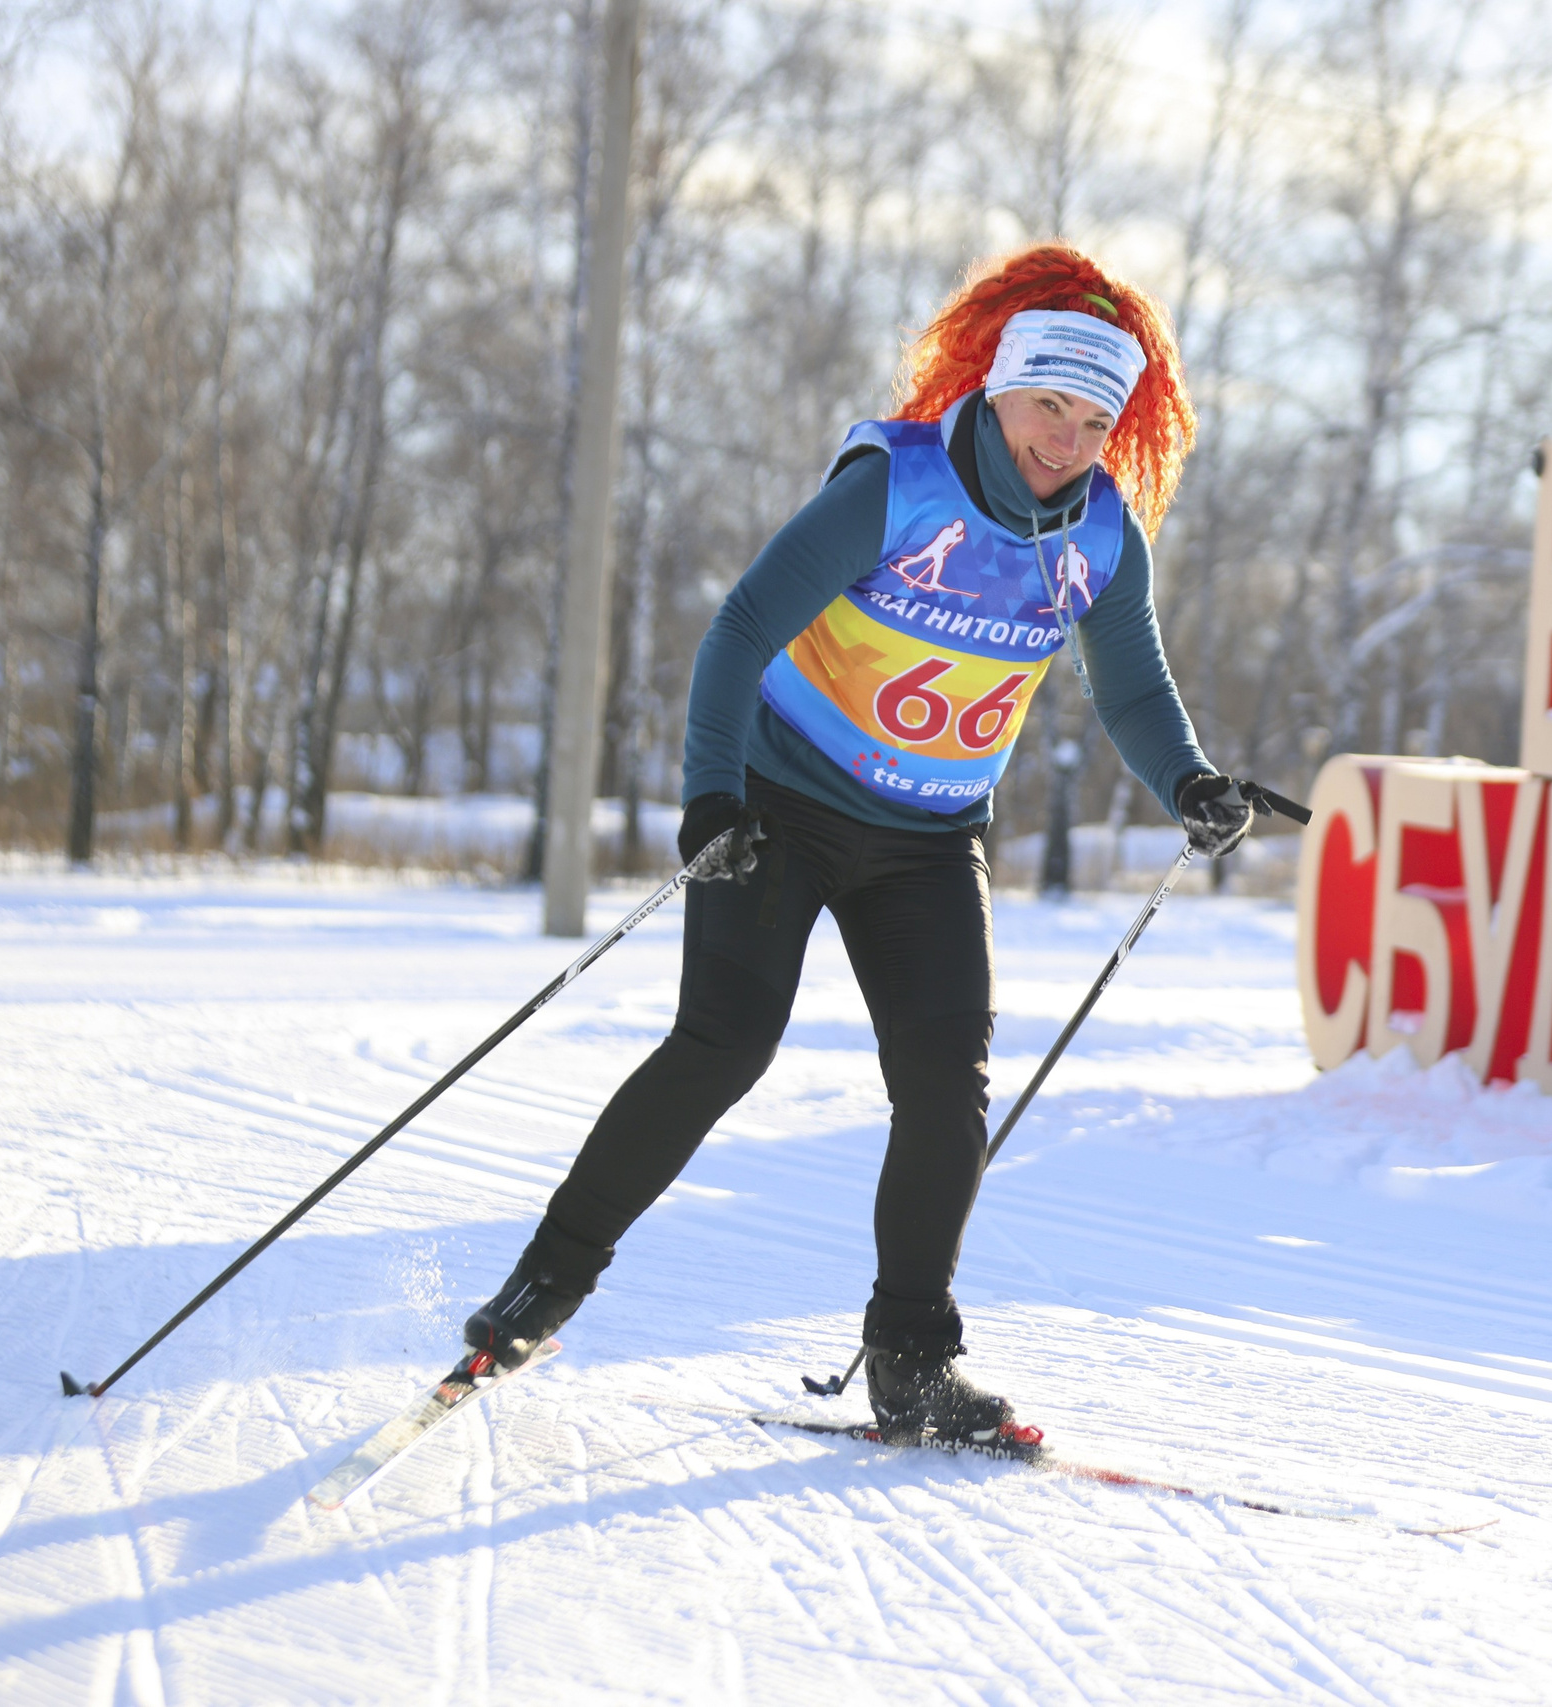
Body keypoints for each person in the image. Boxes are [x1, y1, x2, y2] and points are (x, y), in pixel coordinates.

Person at [465, 244, 1255, 1445]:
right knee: (725, 1045)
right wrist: (711, 797)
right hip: (783, 810)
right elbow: (739, 630)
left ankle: (911, 1362)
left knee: (947, 1091)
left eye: (1098, 420)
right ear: (999, 386)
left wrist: (1189, 778)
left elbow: (1133, 692)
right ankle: (547, 1284)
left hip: (930, 842)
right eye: (1051, 405)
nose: (1069, 440)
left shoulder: (1103, 537)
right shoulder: (898, 485)